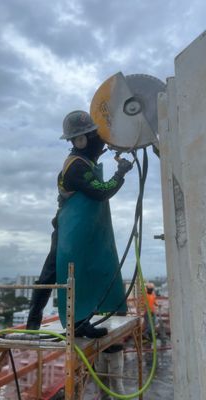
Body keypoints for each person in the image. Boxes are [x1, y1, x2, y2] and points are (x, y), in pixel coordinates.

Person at [26, 110, 132, 338]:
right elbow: (100, 192)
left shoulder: (85, 161)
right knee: (56, 272)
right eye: (92, 137)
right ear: (81, 141)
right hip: (69, 231)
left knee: (80, 270)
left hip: (83, 230)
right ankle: (36, 323)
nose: (98, 142)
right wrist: (120, 174)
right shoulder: (76, 167)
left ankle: (81, 320)